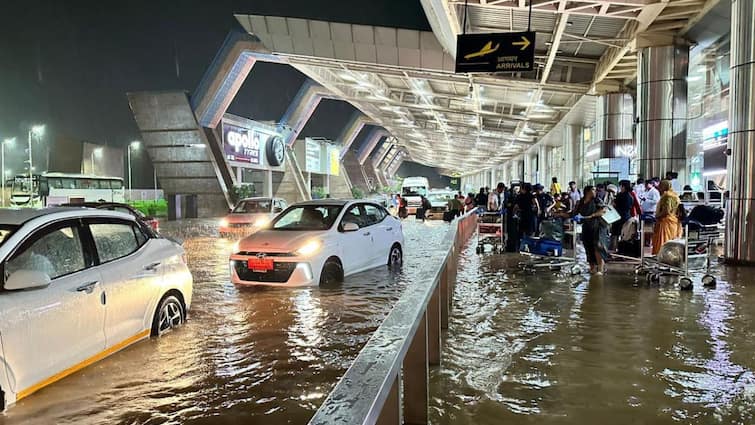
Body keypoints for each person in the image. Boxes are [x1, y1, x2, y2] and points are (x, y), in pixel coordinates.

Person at [573, 185, 609, 274]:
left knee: (598, 246)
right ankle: (592, 268)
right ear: (587, 192)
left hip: (598, 226)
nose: (595, 191)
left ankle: (600, 269)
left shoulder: (597, 200)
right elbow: (574, 212)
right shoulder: (581, 202)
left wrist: (592, 215)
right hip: (587, 227)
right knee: (588, 247)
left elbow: (603, 210)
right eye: (593, 190)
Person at [652, 180, 683, 255]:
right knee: (672, 241)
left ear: (664, 187)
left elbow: (666, 211)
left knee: (664, 242)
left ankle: (663, 257)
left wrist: (657, 216)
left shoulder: (667, 196)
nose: (659, 188)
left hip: (666, 222)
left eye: (660, 186)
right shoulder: (675, 195)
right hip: (674, 222)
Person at [612, 180, 634, 250]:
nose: (620, 188)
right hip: (627, 217)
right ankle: (622, 250)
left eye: (620, 186)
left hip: (619, 218)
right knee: (624, 235)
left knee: (615, 234)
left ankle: (615, 248)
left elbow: (615, 205)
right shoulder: (630, 196)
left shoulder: (620, 196)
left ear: (623, 187)